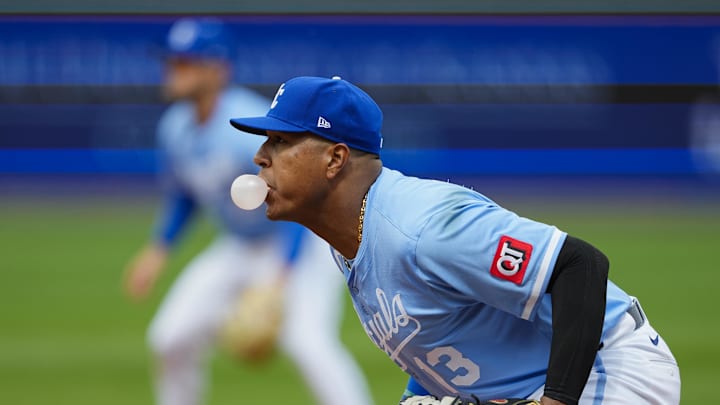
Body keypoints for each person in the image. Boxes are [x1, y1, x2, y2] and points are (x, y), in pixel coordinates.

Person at [228, 76, 682, 405]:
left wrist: (555, 403)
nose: (259, 156)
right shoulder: (347, 240)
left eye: (280, 140)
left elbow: (580, 266)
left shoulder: (425, 227)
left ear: (335, 158)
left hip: (611, 372)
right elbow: (434, 336)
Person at [123, 21, 374, 405]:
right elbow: (186, 193)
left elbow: (299, 198)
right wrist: (159, 249)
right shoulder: (174, 127)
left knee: (307, 342)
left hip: (299, 240)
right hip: (240, 245)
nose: (173, 69)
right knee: (170, 337)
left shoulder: (250, 123)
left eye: (186, 62)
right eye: (172, 61)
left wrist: (280, 278)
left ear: (217, 68)